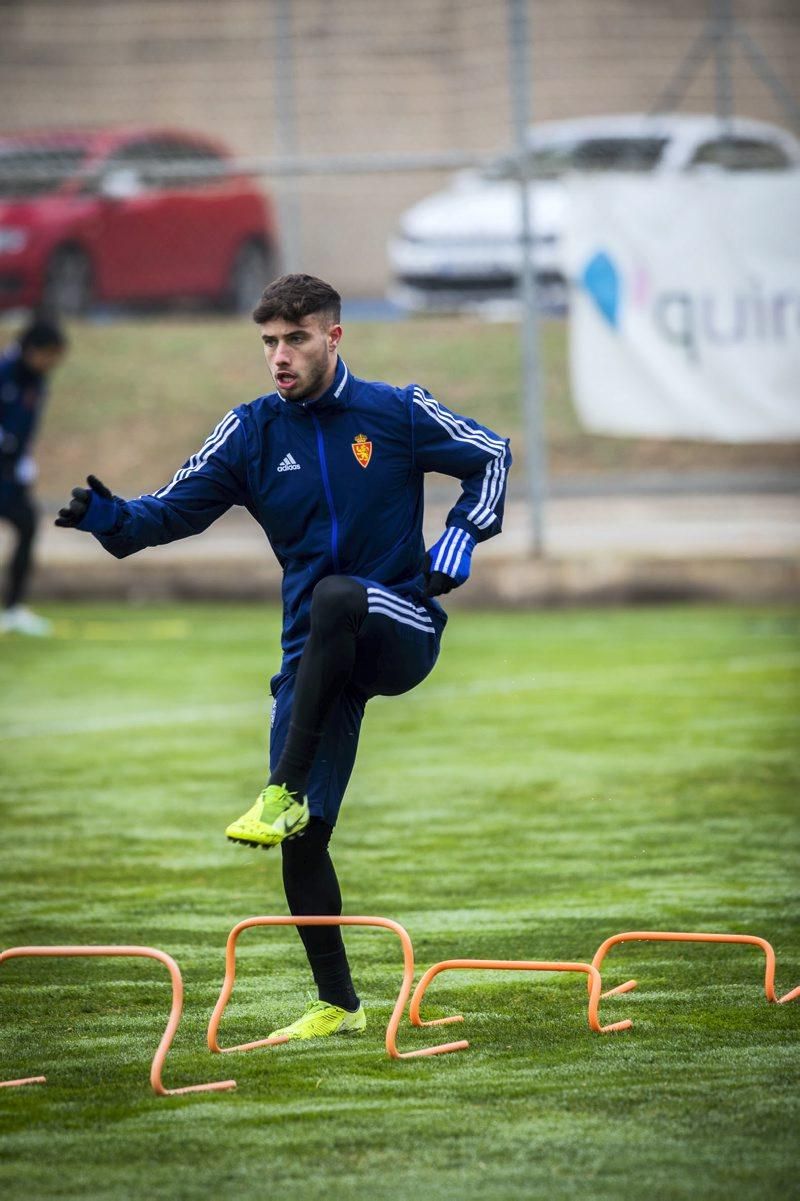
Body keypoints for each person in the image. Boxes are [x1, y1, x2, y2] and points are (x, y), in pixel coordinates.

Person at [56, 274, 511, 1040]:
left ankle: (282, 786)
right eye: (268, 341)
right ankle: (339, 1004)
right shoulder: (251, 433)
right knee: (305, 838)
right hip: (314, 653)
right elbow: (168, 510)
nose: (278, 355)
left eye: (295, 338)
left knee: (339, 596)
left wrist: (465, 532)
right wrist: (111, 519)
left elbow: (490, 454)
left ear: (334, 337)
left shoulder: (395, 411)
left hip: (397, 623)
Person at [1, 317, 68, 636]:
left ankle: (13, 609)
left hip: (11, 471)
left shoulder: (37, 381)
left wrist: (23, 463)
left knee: (27, 525)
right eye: (51, 354)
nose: (53, 363)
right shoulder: (5, 372)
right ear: (33, 350)